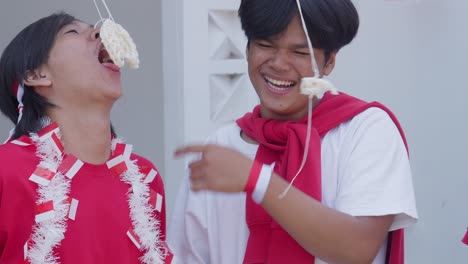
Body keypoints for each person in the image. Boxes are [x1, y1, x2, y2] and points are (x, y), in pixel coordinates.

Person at [168, 0, 418, 263]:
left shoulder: (365, 130)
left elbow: (358, 249)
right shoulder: (222, 147)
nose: (279, 63)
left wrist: (257, 180)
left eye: (299, 53)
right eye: (265, 45)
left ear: (329, 62)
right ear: (247, 49)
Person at [0, 12, 171, 263]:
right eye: (72, 32)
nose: (99, 32)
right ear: (36, 75)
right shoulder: (6, 169)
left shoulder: (146, 178)